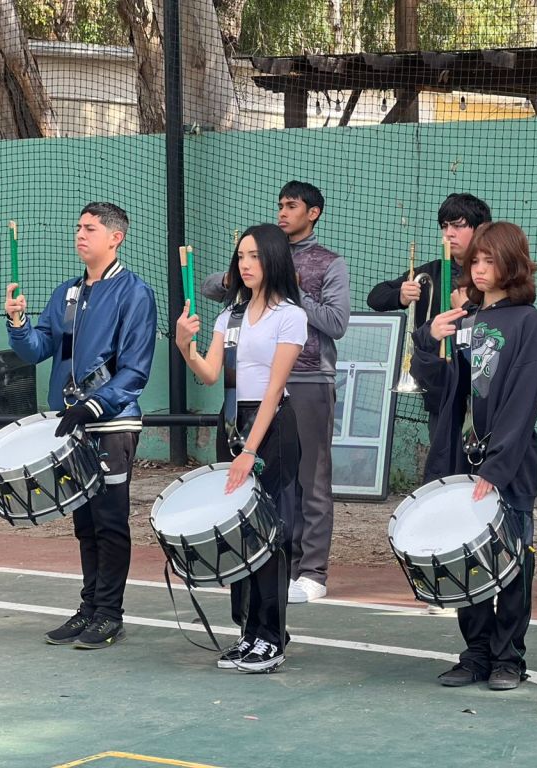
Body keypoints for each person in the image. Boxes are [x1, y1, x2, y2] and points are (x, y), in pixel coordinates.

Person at [4, 202, 156, 649]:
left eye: (90, 228)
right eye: (78, 228)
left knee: (110, 522)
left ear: (116, 237)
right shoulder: (68, 293)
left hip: (110, 425)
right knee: (84, 523)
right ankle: (89, 607)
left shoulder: (134, 293)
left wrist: (95, 405)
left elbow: (136, 368)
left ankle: (110, 613)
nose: (80, 235)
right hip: (71, 427)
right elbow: (38, 349)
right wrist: (18, 322)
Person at [410, 221, 537, 690]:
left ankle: (510, 658)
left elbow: (522, 399)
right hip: (460, 463)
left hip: (508, 466)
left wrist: (497, 464)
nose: (481, 269)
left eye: (491, 261)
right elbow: (439, 384)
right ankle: (476, 653)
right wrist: (428, 338)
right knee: (465, 562)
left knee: (511, 561)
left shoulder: (528, 321)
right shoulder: (464, 319)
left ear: (512, 264)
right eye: (477, 261)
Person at [203, 181, 349, 604]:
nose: (283, 213)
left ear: (313, 213)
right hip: (253, 387)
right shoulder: (260, 255)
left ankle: (312, 570)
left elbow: (337, 323)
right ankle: (262, 560)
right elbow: (217, 286)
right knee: (262, 480)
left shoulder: (329, 262)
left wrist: (293, 291)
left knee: (311, 477)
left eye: (292, 206)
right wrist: (242, 274)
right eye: (279, 206)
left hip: (308, 379)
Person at [176, 223, 306, 672]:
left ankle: (272, 637)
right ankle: (249, 633)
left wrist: (250, 451)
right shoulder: (227, 317)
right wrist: (185, 347)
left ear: (272, 259)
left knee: (269, 534)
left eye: (254, 256)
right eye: (241, 257)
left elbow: (273, 391)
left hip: (270, 429)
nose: (246, 264)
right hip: (231, 423)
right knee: (239, 534)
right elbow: (211, 375)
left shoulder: (290, 315)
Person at [367, 193, 493, 441]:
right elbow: (376, 297)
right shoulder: (429, 271)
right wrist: (401, 296)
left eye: (458, 225)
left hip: (483, 381)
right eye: (445, 226)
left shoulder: (491, 274)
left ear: (480, 230)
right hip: (441, 383)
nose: (449, 233)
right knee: (443, 455)